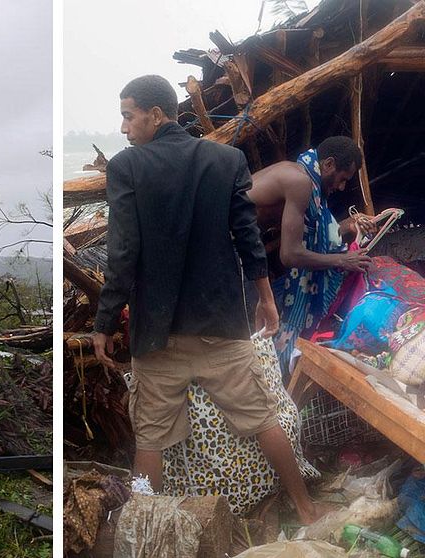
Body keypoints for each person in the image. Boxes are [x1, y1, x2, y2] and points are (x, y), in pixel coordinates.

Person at [91, 74, 325, 524]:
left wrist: (103, 323)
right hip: (222, 328)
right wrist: (266, 298)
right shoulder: (227, 159)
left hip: (158, 336)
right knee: (262, 417)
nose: (123, 129)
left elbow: (123, 252)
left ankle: (145, 532)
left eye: (127, 115)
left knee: (151, 438)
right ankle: (307, 507)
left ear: (155, 114)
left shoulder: (127, 167)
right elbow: (247, 238)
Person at [248, 137, 374, 372]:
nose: (342, 187)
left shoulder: (304, 178)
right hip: (221, 247)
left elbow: (322, 231)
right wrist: (341, 259)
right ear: (328, 164)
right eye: (343, 178)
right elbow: (290, 255)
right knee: (244, 339)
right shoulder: (300, 182)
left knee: (251, 333)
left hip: (233, 249)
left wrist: (349, 225)